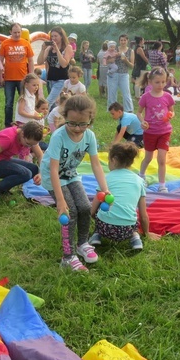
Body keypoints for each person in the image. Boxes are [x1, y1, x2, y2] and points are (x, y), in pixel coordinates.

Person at [40, 95, 109, 272]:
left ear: (90, 120)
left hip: (71, 175)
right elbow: (54, 169)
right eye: (72, 123)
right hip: (52, 176)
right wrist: (61, 201)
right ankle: (68, 257)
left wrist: (105, 189)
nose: (77, 129)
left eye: (82, 124)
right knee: (69, 212)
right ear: (65, 118)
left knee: (85, 207)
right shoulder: (58, 136)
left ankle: (82, 244)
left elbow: (95, 164)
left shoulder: (90, 136)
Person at [89, 141, 151, 250]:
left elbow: (93, 208)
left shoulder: (106, 179)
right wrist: (147, 233)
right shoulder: (140, 181)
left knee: (103, 204)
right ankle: (135, 238)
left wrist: (94, 217)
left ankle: (96, 235)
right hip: (127, 230)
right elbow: (143, 214)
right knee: (131, 217)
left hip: (105, 228)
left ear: (113, 160)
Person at [0, 121, 44, 205]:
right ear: (22, 134)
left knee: (34, 169)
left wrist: (41, 173)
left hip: (3, 159)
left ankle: (4, 189)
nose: (29, 147)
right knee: (26, 174)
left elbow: (40, 156)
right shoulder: (8, 138)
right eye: (28, 144)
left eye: (32, 145)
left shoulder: (29, 138)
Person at [138, 67, 174, 191]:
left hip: (164, 132)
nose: (161, 85)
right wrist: (142, 122)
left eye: (163, 82)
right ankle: (141, 176)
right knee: (148, 157)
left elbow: (171, 111)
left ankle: (162, 185)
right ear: (150, 82)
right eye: (157, 82)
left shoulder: (168, 96)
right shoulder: (146, 97)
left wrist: (170, 115)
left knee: (162, 159)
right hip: (150, 132)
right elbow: (139, 113)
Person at [0, 23, 35, 127]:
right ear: (10, 32)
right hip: (9, 79)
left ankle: (25, 123)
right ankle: (8, 125)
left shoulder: (26, 43)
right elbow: (0, 61)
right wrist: (0, 76)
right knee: (8, 103)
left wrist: (31, 75)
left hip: (23, 79)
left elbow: (31, 60)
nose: (17, 34)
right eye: (15, 32)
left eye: (19, 32)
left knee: (25, 101)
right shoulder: (5, 44)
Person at [37, 26, 73, 107]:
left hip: (62, 80)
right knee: (55, 105)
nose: (53, 38)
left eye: (56, 36)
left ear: (61, 36)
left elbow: (64, 64)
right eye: (52, 36)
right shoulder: (49, 48)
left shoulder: (67, 47)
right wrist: (43, 49)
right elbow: (39, 61)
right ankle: (55, 119)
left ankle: (39, 118)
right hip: (50, 80)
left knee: (47, 102)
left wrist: (57, 50)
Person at [106, 34, 134, 112]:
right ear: (119, 41)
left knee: (126, 93)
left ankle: (129, 110)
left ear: (127, 41)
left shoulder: (130, 51)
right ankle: (112, 110)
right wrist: (112, 59)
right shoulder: (114, 49)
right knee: (112, 94)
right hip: (113, 74)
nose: (123, 42)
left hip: (124, 74)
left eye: (125, 40)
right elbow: (106, 60)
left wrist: (125, 60)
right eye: (121, 40)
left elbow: (132, 66)